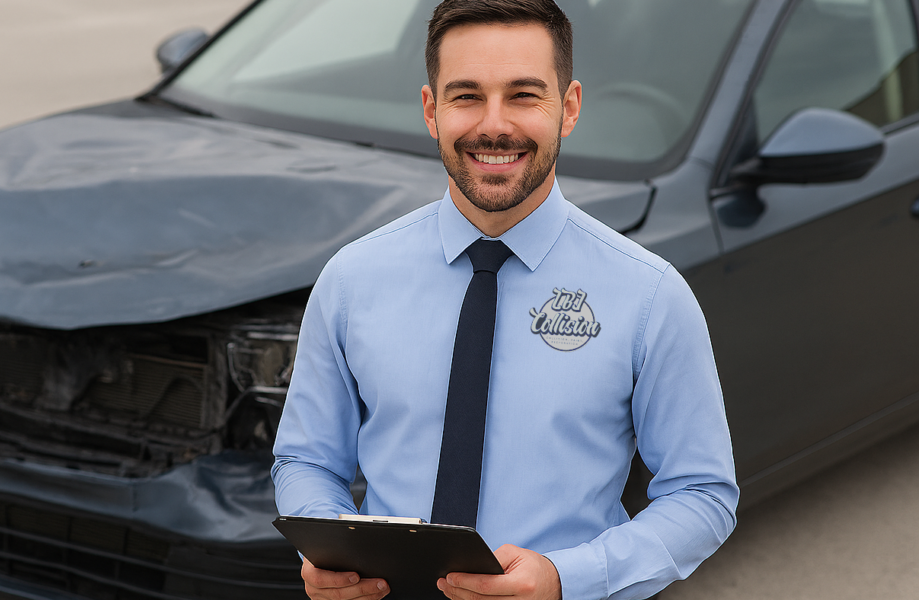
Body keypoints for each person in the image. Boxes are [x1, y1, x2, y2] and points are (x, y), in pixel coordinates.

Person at [271, 1, 739, 599]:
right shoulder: (351, 279)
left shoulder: (649, 294)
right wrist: (330, 545)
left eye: (524, 95)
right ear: (430, 110)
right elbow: (307, 460)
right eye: (466, 96)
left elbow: (703, 495)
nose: (495, 125)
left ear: (568, 109)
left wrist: (565, 580)